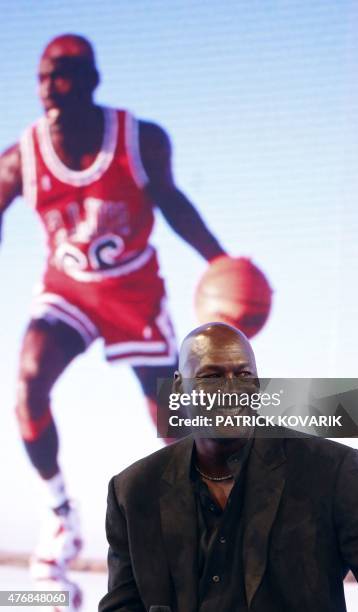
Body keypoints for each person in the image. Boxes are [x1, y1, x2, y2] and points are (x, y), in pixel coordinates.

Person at [0, 34, 226, 579]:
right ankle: (60, 513)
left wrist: (219, 259)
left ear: (92, 80)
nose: (50, 86)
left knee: (171, 420)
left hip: (133, 288)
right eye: (42, 76)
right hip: (69, 288)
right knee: (28, 383)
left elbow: (171, 199)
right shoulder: (20, 158)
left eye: (64, 74)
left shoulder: (138, 139)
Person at [99, 322, 358, 612]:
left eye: (244, 375)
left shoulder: (329, 470)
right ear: (178, 389)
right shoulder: (134, 490)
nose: (231, 390)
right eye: (211, 376)